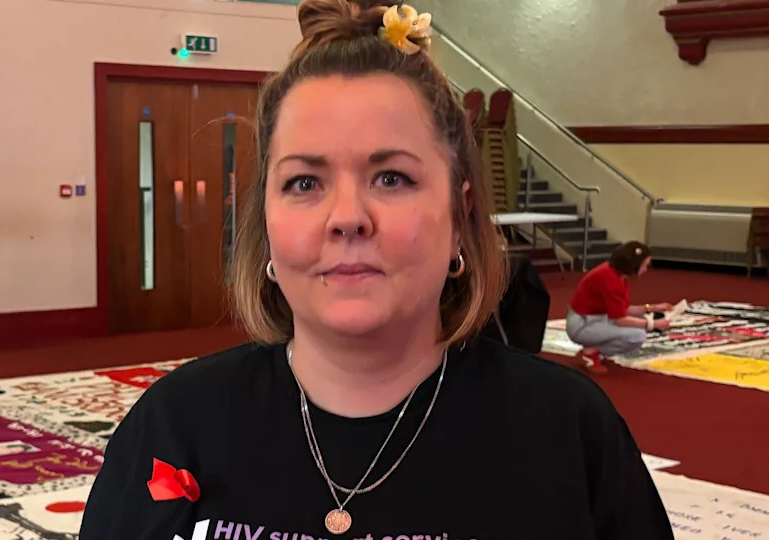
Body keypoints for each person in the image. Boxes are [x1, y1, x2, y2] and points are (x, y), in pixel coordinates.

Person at [80, 1, 673, 538]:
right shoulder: (175, 424)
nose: (348, 218)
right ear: (265, 221)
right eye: (304, 182)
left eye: (392, 178)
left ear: (460, 215)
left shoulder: (567, 434)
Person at [567, 241, 675, 374]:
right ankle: (590, 353)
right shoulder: (611, 280)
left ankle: (592, 351)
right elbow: (620, 318)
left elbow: (622, 309)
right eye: (645, 265)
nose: (646, 269)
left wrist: (653, 308)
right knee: (637, 336)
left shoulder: (614, 274)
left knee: (639, 320)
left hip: (590, 319)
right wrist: (652, 324)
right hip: (582, 325)